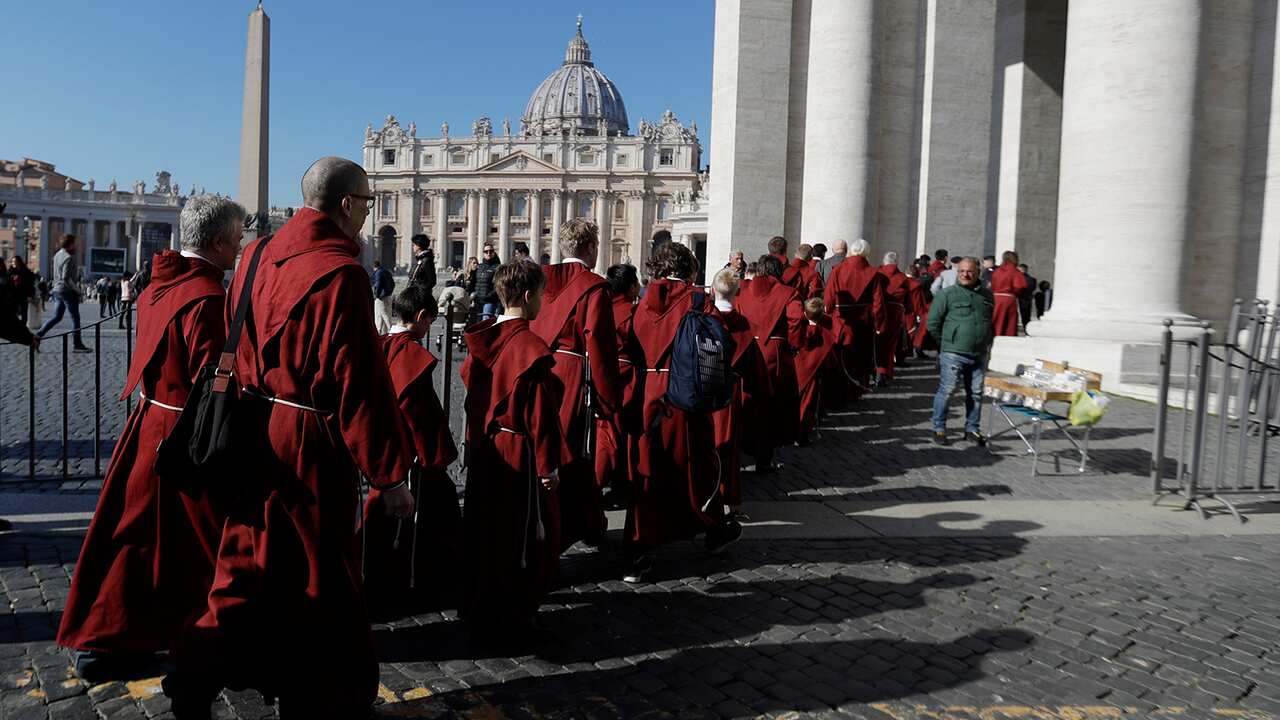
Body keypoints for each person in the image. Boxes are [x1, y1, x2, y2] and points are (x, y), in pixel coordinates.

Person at [164, 157, 415, 720]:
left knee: (244, 558)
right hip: (307, 440)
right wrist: (389, 474)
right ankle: (320, 693)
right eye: (368, 203)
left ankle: (194, 670)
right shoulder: (342, 275)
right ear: (346, 205)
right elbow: (361, 387)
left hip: (250, 425)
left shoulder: (253, 255)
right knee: (316, 568)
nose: (368, 214)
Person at [58, 194, 243, 683]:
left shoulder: (161, 286)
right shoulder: (205, 298)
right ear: (220, 240)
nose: (241, 244)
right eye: (238, 235)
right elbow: (214, 378)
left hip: (150, 422)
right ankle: (194, 636)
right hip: (187, 433)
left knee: (134, 538)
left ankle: (113, 635)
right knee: (198, 543)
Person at [460, 259, 570, 642]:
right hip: (519, 451)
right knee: (523, 537)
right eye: (541, 294)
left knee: (484, 530)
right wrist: (548, 467)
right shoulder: (531, 347)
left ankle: (479, 604)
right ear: (527, 296)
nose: (543, 302)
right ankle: (514, 613)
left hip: (486, 447)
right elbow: (539, 416)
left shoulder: (482, 338)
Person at [625, 242, 741, 583]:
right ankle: (713, 528)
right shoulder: (697, 300)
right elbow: (722, 342)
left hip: (646, 393)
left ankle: (639, 550)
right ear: (689, 268)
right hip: (684, 393)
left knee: (647, 472)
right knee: (696, 465)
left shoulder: (641, 301)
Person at [363, 279, 462, 613]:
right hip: (410, 457)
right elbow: (420, 415)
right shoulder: (410, 353)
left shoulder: (377, 345)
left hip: (379, 451)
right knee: (431, 519)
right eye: (429, 322)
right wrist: (436, 455)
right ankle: (413, 582)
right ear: (421, 316)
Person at [530, 218, 622, 552]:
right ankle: (571, 524)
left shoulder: (541, 279)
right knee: (574, 451)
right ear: (591, 247)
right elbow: (599, 344)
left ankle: (587, 521)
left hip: (540, 369)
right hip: (572, 377)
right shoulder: (594, 286)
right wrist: (609, 398)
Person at [706, 267, 769, 519]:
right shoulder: (743, 326)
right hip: (730, 394)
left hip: (702, 391)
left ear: (712, 291)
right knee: (729, 450)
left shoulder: (703, 319)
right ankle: (729, 501)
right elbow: (756, 370)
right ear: (737, 293)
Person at [736, 253, 806, 473]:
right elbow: (796, 319)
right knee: (770, 405)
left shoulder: (742, 289)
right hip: (774, 353)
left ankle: (740, 449)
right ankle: (763, 458)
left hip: (746, 350)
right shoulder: (788, 292)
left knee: (746, 401)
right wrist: (794, 344)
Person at [927, 257, 994, 446]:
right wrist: (947, 342)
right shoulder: (947, 294)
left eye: (970, 271)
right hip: (953, 352)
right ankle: (939, 428)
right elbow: (933, 323)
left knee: (976, 393)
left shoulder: (987, 296)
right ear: (957, 272)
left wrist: (987, 341)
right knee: (947, 391)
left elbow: (990, 321)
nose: (965, 274)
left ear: (977, 273)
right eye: (961, 271)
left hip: (979, 353)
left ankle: (972, 428)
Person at [595, 264, 642, 512]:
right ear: (632, 286)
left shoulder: (600, 309)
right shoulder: (633, 312)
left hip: (599, 374)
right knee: (625, 430)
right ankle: (621, 477)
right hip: (626, 377)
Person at [824, 238, 887, 388]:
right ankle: (859, 387)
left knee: (842, 354)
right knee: (862, 355)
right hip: (864, 320)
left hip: (841, 319)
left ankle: (841, 387)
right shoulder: (873, 272)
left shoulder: (837, 269)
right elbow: (878, 303)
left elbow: (829, 297)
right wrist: (879, 323)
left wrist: (827, 315)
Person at [35, 234, 91, 352]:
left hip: (57, 289)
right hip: (67, 291)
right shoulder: (68, 258)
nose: (75, 246)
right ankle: (77, 344)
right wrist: (78, 290)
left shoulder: (57, 255)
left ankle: (38, 336)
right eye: (74, 243)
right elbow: (66, 278)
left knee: (56, 317)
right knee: (75, 318)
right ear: (70, 244)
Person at [795, 297, 838, 446]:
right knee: (807, 407)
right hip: (813, 376)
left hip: (796, 372)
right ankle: (802, 436)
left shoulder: (797, 330)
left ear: (805, 314)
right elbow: (831, 361)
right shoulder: (826, 335)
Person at [875, 252, 915, 384]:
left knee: (876, 344)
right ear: (896, 263)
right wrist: (910, 323)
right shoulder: (902, 278)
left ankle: (876, 371)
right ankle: (886, 373)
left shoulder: (877, 274)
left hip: (877, 312)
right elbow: (908, 303)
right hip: (895, 315)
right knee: (890, 346)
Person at [990, 250, 1029, 336]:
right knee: (1009, 323)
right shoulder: (1014, 271)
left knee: (996, 319)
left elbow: (992, 284)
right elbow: (1020, 285)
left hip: (996, 298)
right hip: (1008, 298)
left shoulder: (997, 271)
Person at [467, 243, 501, 320]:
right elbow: (473, 283)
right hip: (477, 300)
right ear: (483, 253)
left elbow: (499, 285)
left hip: (489, 301)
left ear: (494, 253)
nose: (488, 253)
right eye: (486, 251)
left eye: (491, 251)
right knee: (476, 322)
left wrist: (489, 295)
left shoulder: (497, 267)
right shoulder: (479, 267)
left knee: (485, 321)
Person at [8, 256, 36, 326]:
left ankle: (23, 327)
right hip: (13, 295)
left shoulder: (25, 271)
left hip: (23, 295)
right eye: (12, 261)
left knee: (24, 312)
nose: (13, 263)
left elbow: (30, 283)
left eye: (15, 261)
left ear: (19, 262)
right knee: (13, 312)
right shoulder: (10, 272)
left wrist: (30, 295)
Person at [371, 259, 395, 334]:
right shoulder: (387, 271)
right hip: (388, 296)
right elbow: (393, 283)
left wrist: (376, 295)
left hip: (381, 297)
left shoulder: (378, 273)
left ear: (374, 267)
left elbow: (377, 285)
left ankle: (390, 329)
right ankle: (379, 330)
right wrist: (389, 292)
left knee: (383, 313)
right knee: (380, 314)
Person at [1018, 263, 1037, 329]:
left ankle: (1026, 328)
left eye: (1022, 269)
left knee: (1025, 316)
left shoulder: (1031, 279)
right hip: (1020, 299)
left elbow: (1030, 288)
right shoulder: (1015, 277)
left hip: (1025, 299)